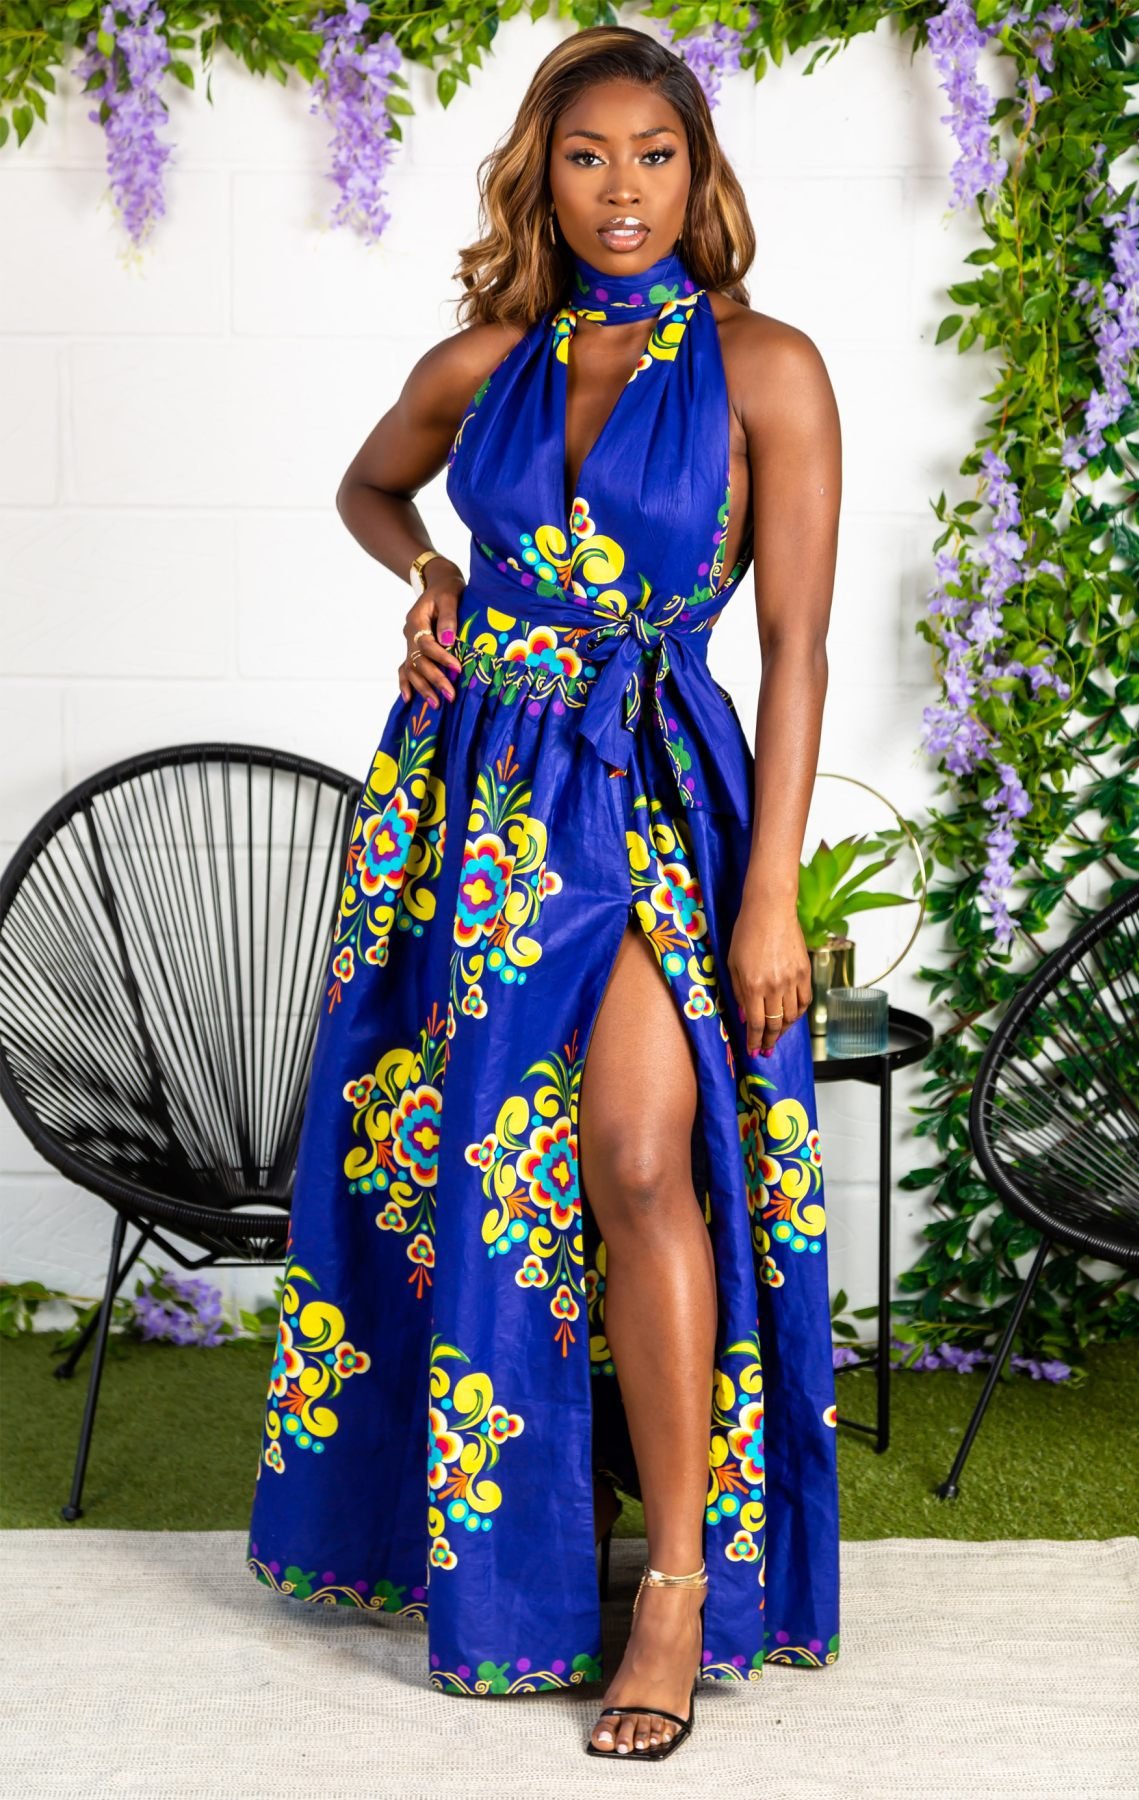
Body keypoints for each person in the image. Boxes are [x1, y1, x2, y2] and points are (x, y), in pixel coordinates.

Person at [246, 22, 842, 1763]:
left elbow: (797, 648)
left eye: (654, 154)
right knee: (485, 1183)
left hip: (656, 800)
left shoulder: (767, 367)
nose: (621, 189)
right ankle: (511, 1568)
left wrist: (772, 897)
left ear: (699, 171)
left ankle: (673, 1591)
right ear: (540, 174)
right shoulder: (484, 360)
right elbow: (367, 487)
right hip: (480, 811)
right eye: (587, 156)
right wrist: (429, 570)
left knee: (639, 1158)